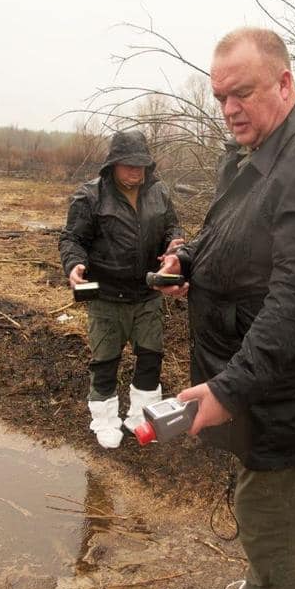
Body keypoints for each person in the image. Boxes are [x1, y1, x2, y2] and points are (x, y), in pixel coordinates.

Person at [156, 28, 295, 589]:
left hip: (292, 379)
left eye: (242, 92)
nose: (230, 108)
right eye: (220, 96)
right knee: (286, 486)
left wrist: (228, 388)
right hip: (265, 375)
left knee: (268, 487)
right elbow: (231, 237)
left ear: (285, 84)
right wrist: (188, 260)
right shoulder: (250, 156)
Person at [59, 129, 182, 448]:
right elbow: (72, 238)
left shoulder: (160, 193)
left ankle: (141, 417)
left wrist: (174, 247)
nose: (135, 171)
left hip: (147, 292)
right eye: (128, 164)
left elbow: (173, 227)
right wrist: (74, 265)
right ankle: (104, 420)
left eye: (140, 164)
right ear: (112, 164)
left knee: (151, 357)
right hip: (105, 295)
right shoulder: (90, 196)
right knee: (105, 359)